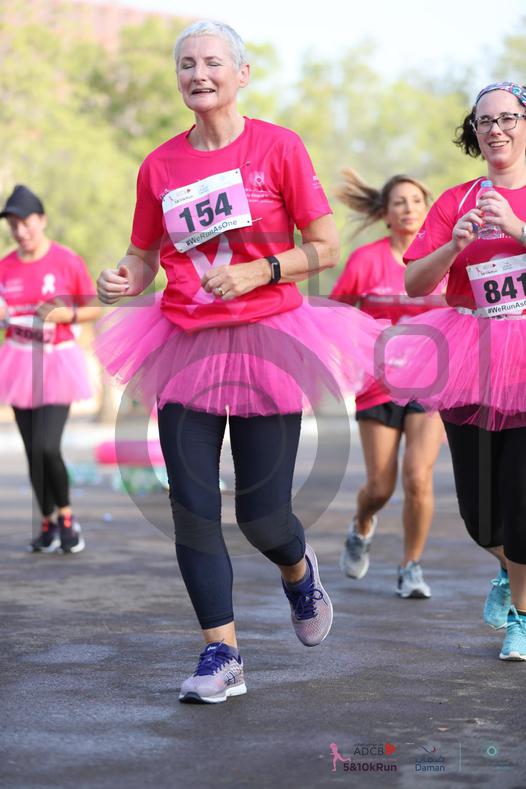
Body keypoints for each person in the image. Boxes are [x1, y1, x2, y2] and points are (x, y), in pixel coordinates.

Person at [95, 20, 385, 703]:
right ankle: (221, 654)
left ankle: (298, 572)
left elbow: (326, 246)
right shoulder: (159, 165)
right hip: (184, 343)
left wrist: (261, 271)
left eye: (212, 62)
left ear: (242, 74)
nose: (198, 74)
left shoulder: (278, 147)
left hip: (269, 341)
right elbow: (143, 254)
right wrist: (125, 277)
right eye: (186, 64)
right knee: (191, 507)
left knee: (262, 517)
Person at [379, 82, 526, 660]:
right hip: (472, 352)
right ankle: (508, 570)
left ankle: (521, 616)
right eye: (484, 121)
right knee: (479, 514)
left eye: (508, 118)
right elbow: (415, 282)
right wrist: (453, 246)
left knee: (522, 499)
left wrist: (516, 228)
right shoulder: (455, 200)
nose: (496, 129)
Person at [331, 171, 446, 598]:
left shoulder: (443, 258)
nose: (408, 208)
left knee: (418, 477)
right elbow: (338, 313)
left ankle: (411, 567)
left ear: (427, 208)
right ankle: (362, 524)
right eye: (399, 202)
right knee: (380, 487)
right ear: (386, 214)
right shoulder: (366, 261)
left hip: (431, 382)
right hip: (377, 381)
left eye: (416, 200)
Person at [0, 184, 100, 553]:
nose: (20, 231)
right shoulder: (5, 267)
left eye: (25, 222)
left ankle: (68, 520)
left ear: (41, 220)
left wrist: (66, 315)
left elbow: (93, 308)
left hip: (57, 362)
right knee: (32, 451)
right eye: (13, 225)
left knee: (47, 446)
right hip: (18, 361)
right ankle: (47, 523)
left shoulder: (66, 260)